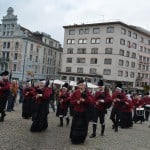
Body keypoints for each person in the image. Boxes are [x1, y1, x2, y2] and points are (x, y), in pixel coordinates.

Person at [69, 79, 94, 144]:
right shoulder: (75, 92)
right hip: (77, 111)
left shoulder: (88, 92)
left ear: (84, 86)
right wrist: (76, 102)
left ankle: (81, 139)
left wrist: (85, 100)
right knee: (75, 125)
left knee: (83, 126)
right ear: (78, 86)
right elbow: (71, 101)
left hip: (85, 112)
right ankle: (74, 139)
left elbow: (91, 101)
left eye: (82, 85)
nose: (81, 86)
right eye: (80, 85)